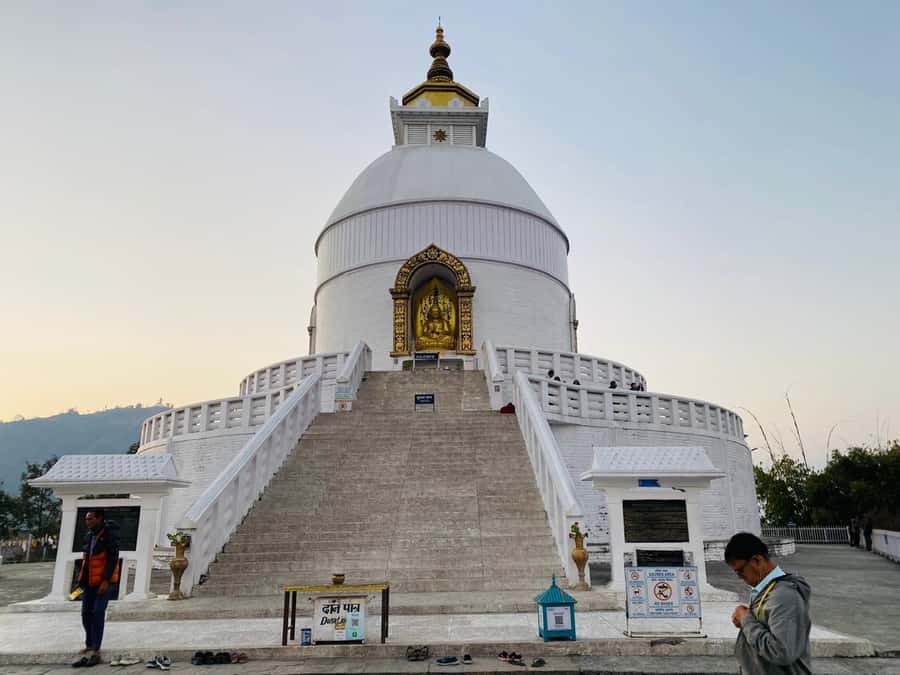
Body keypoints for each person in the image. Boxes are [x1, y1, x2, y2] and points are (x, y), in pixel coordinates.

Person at [725, 532, 811, 675]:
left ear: (757, 561)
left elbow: (781, 651)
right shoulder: (766, 589)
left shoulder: (784, 596)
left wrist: (746, 619)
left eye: (740, 571)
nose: (739, 577)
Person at [72, 509, 120, 668]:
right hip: (89, 582)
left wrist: (106, 580)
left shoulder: (109, 535)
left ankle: (96, 647)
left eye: (91, 519)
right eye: (86, 519)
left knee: (98, 612)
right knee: (86, 612)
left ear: (99, 519)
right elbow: (86, 560)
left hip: (103, 582)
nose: (88, 522)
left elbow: (112, 558)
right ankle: (90, 643)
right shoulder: (89, 536)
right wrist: (80, 581)